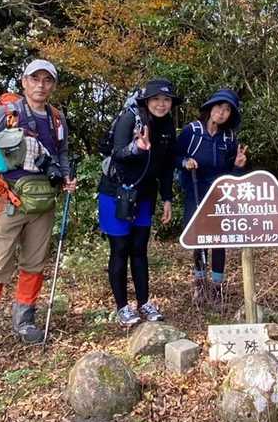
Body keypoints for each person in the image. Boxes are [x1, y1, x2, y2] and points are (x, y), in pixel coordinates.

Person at [0, 59, 77, 363]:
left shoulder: (57, 119)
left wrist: (66, 176)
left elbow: (62, 153)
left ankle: (24, 321)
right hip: (9, 201)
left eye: (47, 80)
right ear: (24, 81)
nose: (41, 85)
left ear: (53, 85)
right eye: (35, 79)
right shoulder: (6, 112)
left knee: (34, 264)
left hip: (44, 202)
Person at [98, 79, 178, 326]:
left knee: (140, 249)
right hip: (116, 192)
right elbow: (118, 153)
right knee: (120, 248)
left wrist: (167, 198)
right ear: (146, 101)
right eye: (156, 99)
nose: (161, 104)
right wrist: (137, 148)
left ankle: (144, 302)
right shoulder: (130, 118)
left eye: (166, 100)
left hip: (145, 194)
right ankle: (122, 307)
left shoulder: (167, 125)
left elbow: (167, 166)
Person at [176, 87, 248, 306]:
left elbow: (233, 175)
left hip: (219, 196)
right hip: (195, 191)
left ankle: (217, 288)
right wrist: (185, 162)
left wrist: (238, 166)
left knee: (219, 241)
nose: (222, 112)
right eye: (219, 107)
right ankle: (199, 285)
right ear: (210, 108)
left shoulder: (229, 138)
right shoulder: (192, 131)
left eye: (227, 109)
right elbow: (174, 155)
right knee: (199, 239)